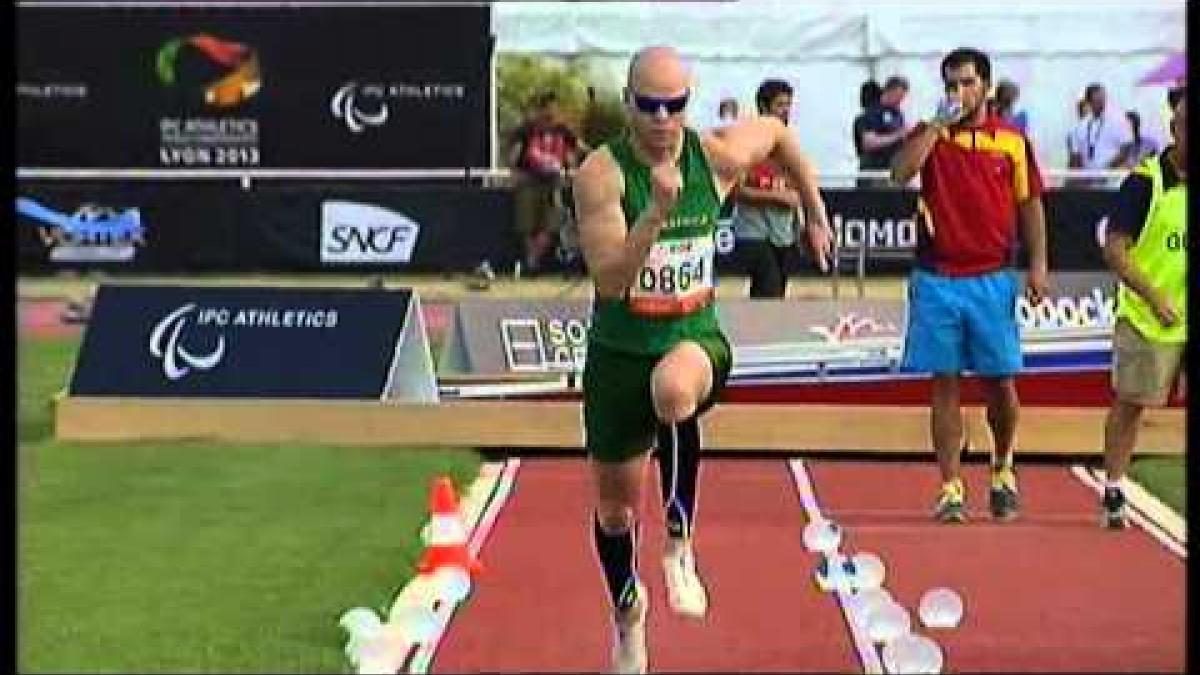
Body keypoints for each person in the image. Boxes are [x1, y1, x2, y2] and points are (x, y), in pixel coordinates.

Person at [573, 45, 832, 674]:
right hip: (619, 353)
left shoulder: (711, 157)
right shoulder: (600, 176)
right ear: (629, 105)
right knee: (615, 512)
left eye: (676, 106)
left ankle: (680, 542)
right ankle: (628, 612)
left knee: (674, 390)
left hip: (692, 338)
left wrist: (816, 213)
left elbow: (776, 133)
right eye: (649, 107)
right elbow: (609, 281)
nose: (664, 120)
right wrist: (656, 214)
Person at [891, 47, 1050, 524]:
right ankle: (950, 486)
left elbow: (1031, 205)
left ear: (985, 85)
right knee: (944, 382)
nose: (958, 93)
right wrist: (936, 128)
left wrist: (1038, 265)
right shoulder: (932, 135)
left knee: (1000, 383)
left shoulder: (1013, 142)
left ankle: (1002, 467)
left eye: (966, 83)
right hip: (938, 276)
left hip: (993, 277)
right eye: (950, 84)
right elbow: (900, 174)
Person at [1099, 97, 1186, 529]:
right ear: (1176, 128)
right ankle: (1114, 488)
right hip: (1149, 316)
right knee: (1131, 405)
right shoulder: (1144, 183)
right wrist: (1155, 298)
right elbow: (1115, 249)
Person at [731, 78, 806, 297]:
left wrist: (802, 222)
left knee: (776, 291)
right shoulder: (747, 143)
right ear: (764, 108)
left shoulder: (791, 144)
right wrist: (777, 198)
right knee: (768, 285)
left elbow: (798, 188)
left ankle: (761, 329)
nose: (786, 111)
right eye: (780, 105)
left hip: (783, 232)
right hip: (754, 232)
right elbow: (737, 191)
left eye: (788, 105)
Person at [508, 91, 583, 276]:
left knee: (550, 226)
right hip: (529, 181)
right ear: (539, 109)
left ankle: (532, 263)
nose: (550, 113)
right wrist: (514, 172)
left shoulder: (564, 131)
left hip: (554, 183)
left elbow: (579, 149)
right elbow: (513, 154)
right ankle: (531, 263)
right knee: (527, 225)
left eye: (554, 109)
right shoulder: (526, 129)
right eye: (546, 108)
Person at [1067, 83, 1133, 179]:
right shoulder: (1081, 126)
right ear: (1089, 101)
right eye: (1097, 100)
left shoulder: (1119, 121)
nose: (1102, 103)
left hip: (1113, 179)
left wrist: (1106, 170)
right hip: (1089, 180)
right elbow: (1076, 155)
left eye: (1103, 99)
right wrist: (1079, 177)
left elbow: (1126, 149)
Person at [860, 75, 911, 186]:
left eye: (903, 97)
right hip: (876, 174)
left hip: (894, 172)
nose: (900, 101)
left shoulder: (898, 114)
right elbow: (869, 143)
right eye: (898, 96)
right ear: (889, 91)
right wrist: (898, 135)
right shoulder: (873, 112)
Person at [852, 79, 883, 187]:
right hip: (873, 173)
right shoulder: (867, 119)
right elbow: (869, 143)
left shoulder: (860, 119)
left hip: (866, 171)